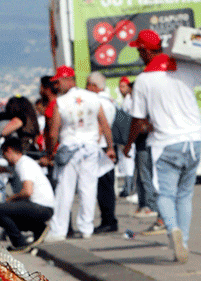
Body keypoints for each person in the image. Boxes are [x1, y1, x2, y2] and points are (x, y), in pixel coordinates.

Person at [124, 28, 201, 262]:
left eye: (139, 50)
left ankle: (172, 229)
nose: (139, 54)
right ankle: (185, 242)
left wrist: (128, 144)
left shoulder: (143, 81)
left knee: (165, 194)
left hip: (166, 144)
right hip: (194, 141)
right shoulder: (183, 68)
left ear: (145, 50)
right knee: (185, 195)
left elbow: (137, 119)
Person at [46, 66, 114, 241]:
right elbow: (104, 124)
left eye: (58, 81)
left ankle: (59, 230)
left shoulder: (60, 103)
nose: (56, 86)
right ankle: (86, 228)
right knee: (88, 188)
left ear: (68, 79)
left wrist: (51, 152)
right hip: (90, 147)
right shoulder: (92, 98)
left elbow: (53, 132)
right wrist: (110, 146)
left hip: (69, 147)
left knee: (65, 190)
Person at [0, 135, 55, 250]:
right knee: (7, 210)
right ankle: (38, 228)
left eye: (5, 156)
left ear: (8, 151)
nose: (6, 160)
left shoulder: (23, 164)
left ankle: (19, 243)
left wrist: (10, 199)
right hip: (44, 207)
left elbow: (27, 191)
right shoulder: (23, 163)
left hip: (41, 208)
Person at [85, 71, 118, 234]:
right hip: (108, 146)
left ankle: (108, 220)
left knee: (102, 186)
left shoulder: (97, 102)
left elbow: (100, 125)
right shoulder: (110, 100)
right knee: (107, 185)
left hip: (101, 146)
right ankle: (108, 218)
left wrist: (94, 141)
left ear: (93, 86)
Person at [116, 76, 136, 198]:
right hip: (124, 135)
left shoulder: (129, 100)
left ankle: (129, 187)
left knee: (129, 160)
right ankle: (127, 186)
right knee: (125, 161)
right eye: (120, 86)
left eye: (123, 86)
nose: (121, 89)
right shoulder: (124, 101)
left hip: (129, 135)